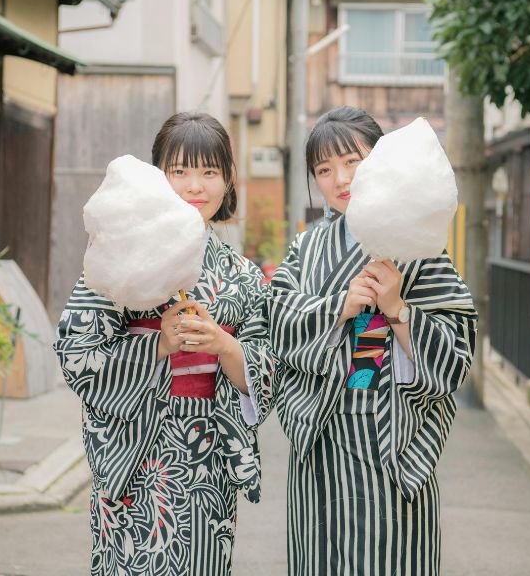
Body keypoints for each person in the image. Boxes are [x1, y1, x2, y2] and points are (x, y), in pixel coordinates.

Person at [54, 113, 274, 576]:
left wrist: (225, 347)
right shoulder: (117, 253)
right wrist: (157, 345)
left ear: (228, 179)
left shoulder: (243, 275)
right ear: (157, 177)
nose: (195, 186)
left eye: (209, 172)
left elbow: (268, 369)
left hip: (208, 460)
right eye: (180, 172)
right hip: (138, 456)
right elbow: (76, 352)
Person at [268, 106, 478, 575]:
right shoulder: (308, 247)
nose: (339, 178)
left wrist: (399, 310)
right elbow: (275, 320)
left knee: (389, 558)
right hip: (321, 434)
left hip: (388, 438)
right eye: (323, 169)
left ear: (380, 161)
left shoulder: (420, 246)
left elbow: (456, 354)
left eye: (351, 161)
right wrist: (338, 307)